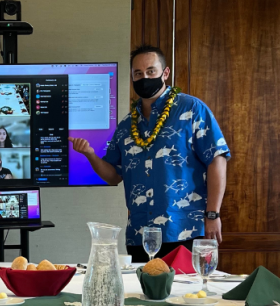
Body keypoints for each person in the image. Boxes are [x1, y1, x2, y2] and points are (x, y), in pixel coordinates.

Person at [71, 45, 230, 263]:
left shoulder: (192, 109)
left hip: (185, 230)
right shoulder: (127, 125)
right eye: (138, 73)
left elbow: (217, 159)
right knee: (141, 295)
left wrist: (213, 214)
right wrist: (89, 154)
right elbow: (113, 176)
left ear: (165, 73)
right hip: (140, 235)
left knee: (186, 294)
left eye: (151, 71)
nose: (144, 77)